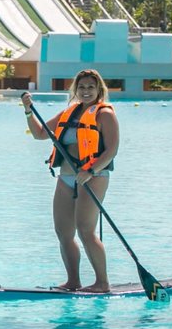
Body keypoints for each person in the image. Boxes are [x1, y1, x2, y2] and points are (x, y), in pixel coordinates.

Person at [21, 69, 119, 293]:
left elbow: (112, 150)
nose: (86, 91)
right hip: (66, 177)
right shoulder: (69, 113)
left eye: (90, 87)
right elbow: (39, 134)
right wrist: (28, 111)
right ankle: (73, 281)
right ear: (75, 90)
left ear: (99, 90)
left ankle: (102, 283)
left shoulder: (105, 115)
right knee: (63, 232)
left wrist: (91, 170)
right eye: (81, 87)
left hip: (94, 177)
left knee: (85, 230)